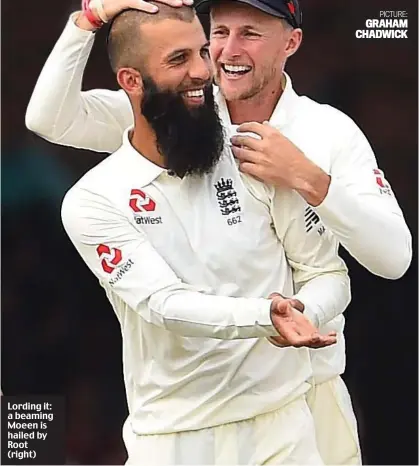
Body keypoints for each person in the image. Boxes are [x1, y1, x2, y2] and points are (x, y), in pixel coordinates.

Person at [25, 0, 412, 464]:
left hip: (307, 390)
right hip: (187, 415)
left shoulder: (326, 130)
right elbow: (49, 119)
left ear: (292, 42)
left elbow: (392, 260)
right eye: (219, 33)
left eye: (249, 32)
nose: (227, 49)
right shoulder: (182, 111)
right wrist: (89, 17)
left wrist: (308, 179)